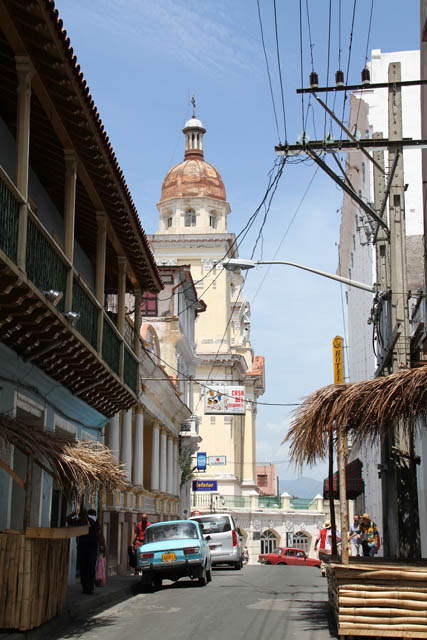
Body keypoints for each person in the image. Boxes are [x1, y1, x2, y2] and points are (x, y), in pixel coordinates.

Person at [76, 508, 105, 595]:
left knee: (83, 567)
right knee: (90, 567)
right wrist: (103, 545)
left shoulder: (80, 520)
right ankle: (89, 588)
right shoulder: (94, 520)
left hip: (83, 546)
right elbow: (99, 534)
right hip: (91, 547)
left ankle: (85, 587)